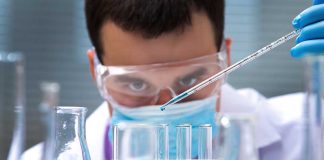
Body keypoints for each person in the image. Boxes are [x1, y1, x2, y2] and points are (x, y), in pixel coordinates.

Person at [22, 0, 324, 159]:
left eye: (191, 79)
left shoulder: (310, 133)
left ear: (226, 56)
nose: (167, 105)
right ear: (95, 71)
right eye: (136, 84)